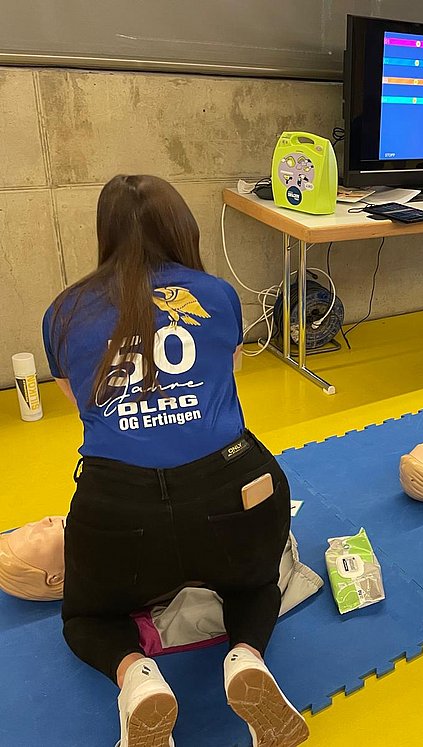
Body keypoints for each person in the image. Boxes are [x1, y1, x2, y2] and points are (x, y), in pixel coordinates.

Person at [43, 175, 309, 747]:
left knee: (86, 619)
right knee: (255, 585)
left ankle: (137, 678)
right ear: (182, 229)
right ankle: (245, 659)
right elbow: (227, 372)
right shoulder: (217, 294)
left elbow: (80, 402)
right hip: (233, 488)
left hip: (118, 507)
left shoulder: (63, 311)